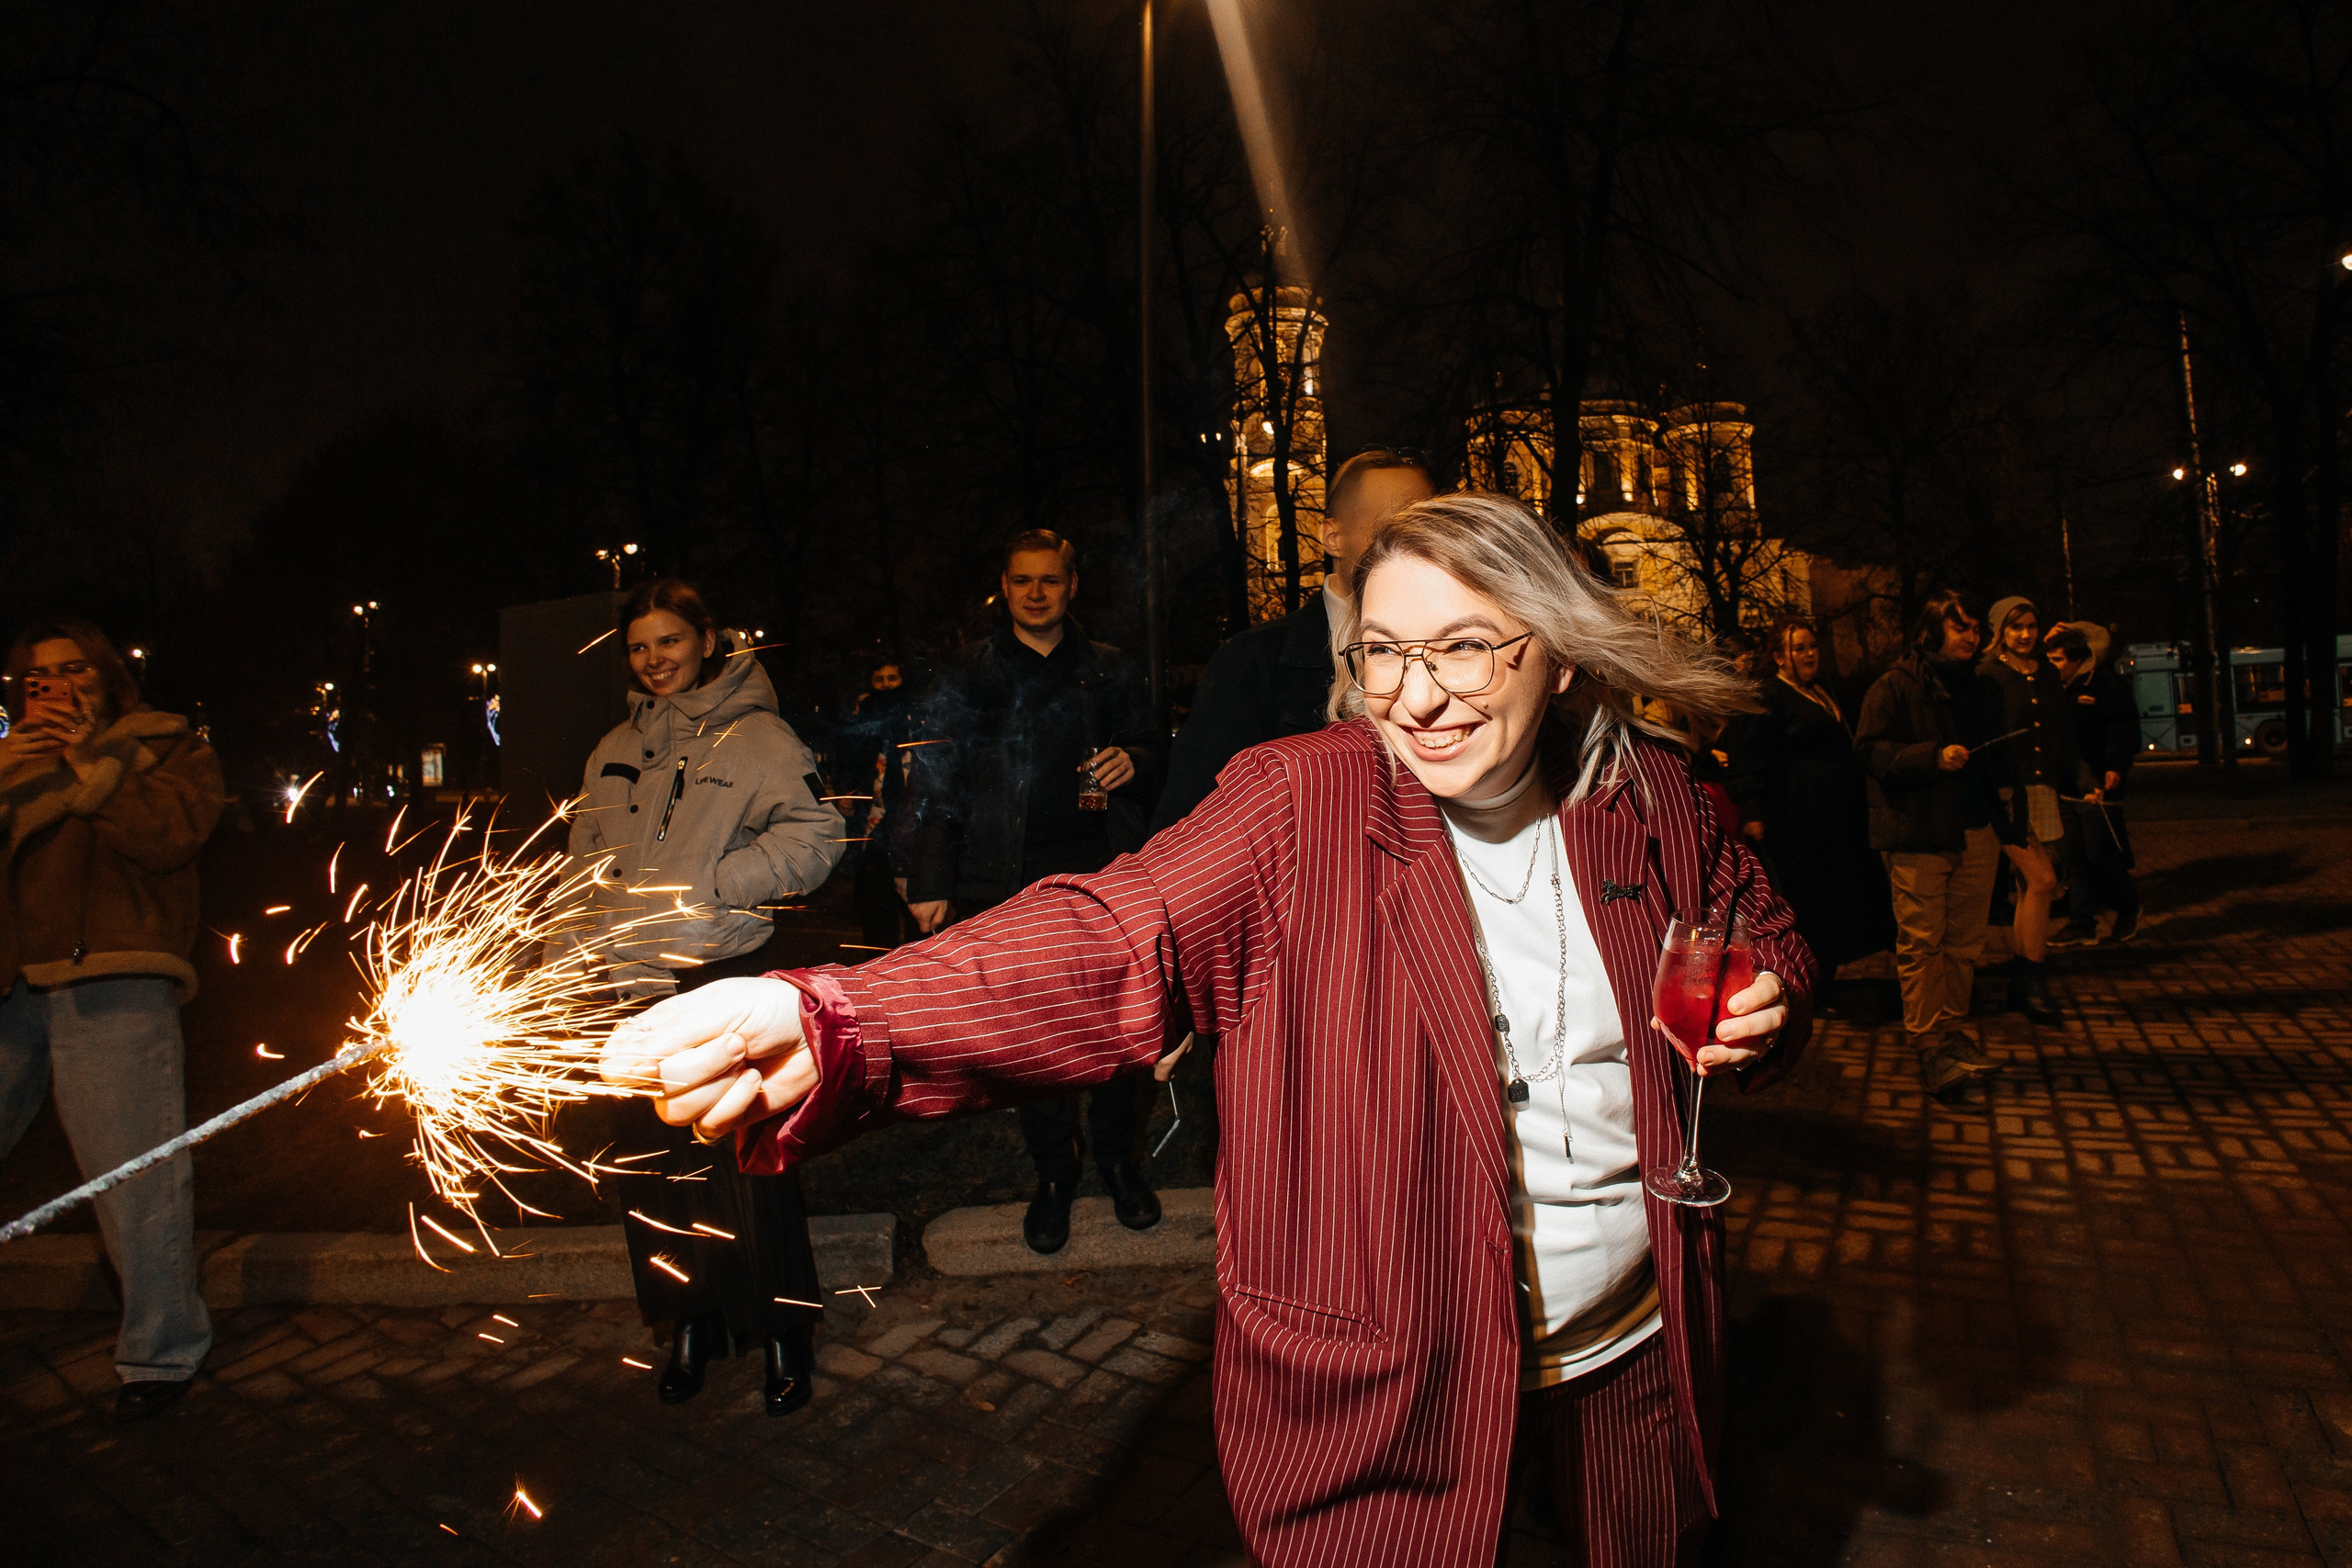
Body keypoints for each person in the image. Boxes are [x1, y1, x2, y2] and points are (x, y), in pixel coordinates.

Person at [603, 494, 1816, 1566]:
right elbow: (1113, 933)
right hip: (1396, 1394)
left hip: (1637, 1354)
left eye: (1463, 646)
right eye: (1385, 649)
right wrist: (848, 1018)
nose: (1416, 692)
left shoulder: (1647, 795)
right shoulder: (1305, 801)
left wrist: (1771, 993)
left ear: (1555, 654)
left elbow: (1762, 926)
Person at [566, 579, 844, 1416]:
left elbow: (816, 832)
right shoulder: (614, 743)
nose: (655, 660)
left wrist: (721, 883)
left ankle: (784, 1330)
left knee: (750, 1161)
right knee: (653, 1171)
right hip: (628, 983)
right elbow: (581, 858)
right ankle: (689, 1318)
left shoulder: (756, 735)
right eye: (640, 647)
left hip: (714, 975)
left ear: (708, 638)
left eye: (671, 642)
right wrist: (569, 957)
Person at [899, 530, 1166, 1254]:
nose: (1037, 593)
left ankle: (1116, 1161)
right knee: (1035, 1039)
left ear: (1072, 585)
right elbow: (936, 783)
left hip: (1102, 875)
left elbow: (1155, 748)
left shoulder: (1109, 670)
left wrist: (1133, 761)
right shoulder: (971, 676)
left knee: (1117, 1026)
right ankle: (1055, 1173)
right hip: (1007, 883)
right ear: (1006, 586)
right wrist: (930, 878)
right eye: (1023, 581)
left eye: (1050, 580)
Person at [0, 619, 223, 1420]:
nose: (60, 685)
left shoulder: (164, 746)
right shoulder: (8, 762)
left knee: (135, 1175)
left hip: (115, 976)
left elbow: (170, 838)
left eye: (75, 671)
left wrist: (88, 764)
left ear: (105, 678)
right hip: (11, 983)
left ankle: (160, 1353)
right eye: (40, 675)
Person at [1150, 446, 1436, 832]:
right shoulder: (1253, 662)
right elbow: (1188, 828)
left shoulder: (1459, 651)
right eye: (1391, 528)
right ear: (1333, 537)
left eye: (1429, 527)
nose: (1416, 545)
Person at [1855, 592, 2024, 1098]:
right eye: (1960, 628)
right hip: (1921, 833)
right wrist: (1930, 757)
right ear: (1932, 631)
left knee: (1965, 944)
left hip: (1976, 832)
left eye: (1975, 629)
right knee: (1922, 943)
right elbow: (1868, 751)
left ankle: (1952, 1032)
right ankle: (1928, 1043)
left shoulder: (1980, 687)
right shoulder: (1894, 686)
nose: (1971, 637)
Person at [1724, 622, 1895, 976]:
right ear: (1779, 657)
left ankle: (1834, 965)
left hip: (1836, 813)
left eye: (1812, 646)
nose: (1809, 654)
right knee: (1810, 895)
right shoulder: (1768, 695)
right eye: (1799, 648)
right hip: (1797, 813)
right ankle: (1814, 974)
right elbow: (1748, 755)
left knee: (1838, 890)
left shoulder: (1822, 690)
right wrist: (1753, 809)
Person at [1976, 596, 2095, 1024]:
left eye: (2030, 626)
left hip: (2042, 790)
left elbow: (2062, 730)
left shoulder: (2045, 672)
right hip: (2010, 794)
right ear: (2000, 632)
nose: (2025, 635)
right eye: (2015, 628)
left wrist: (2082, 777)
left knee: (2032, 887)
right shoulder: (1987, 674)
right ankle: (2028, 978)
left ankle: (2025, 981)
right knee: (2044, 880)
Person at [2044, 622, 2139, 945]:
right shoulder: (2055, 687)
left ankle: (2127, 908)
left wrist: (2115, 766)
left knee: (2101, 854)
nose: (2052, 666)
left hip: (2098, 781)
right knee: (2073, 857)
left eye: (2058, 659)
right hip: (2065, 784)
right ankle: (2081, 921)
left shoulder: (2103, 683)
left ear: (2076, 659)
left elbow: (2122, 727)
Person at [836, 660, 915, 949]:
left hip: (908, 833)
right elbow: (848, 761)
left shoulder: (914, 718)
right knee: (877, 921)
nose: (884, 685)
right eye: (878, 679)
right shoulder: (863, 717)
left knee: (917, 919)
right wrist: (848, 793)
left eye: (892, 678)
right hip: (871, 833)